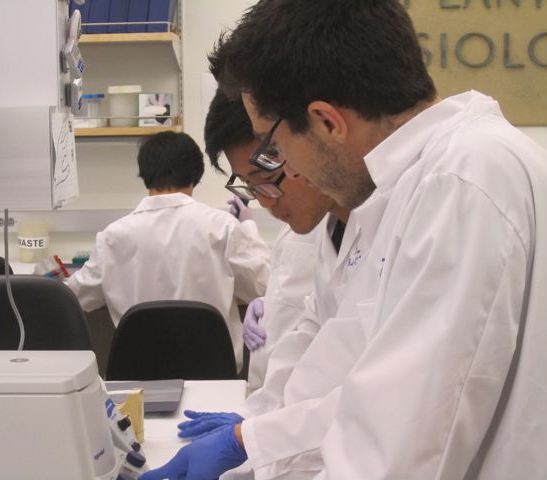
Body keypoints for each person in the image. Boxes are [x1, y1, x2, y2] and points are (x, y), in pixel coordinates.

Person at [140, 1, 547, 479]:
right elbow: (359, 388)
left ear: (328, 122)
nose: (286, 170)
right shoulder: (408, 191)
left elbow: (401, 447)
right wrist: (251, 439)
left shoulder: (461, 181)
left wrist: (256, 443)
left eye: (272, 147)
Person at [67, 131, 271, 372]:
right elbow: (264, 285)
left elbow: (75, 298)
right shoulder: (222, 227)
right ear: (196, 175)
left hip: (138, 378)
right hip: (214, 374)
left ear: (144, 174)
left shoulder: (114, 236)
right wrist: (248, 228)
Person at [204, 90, 349, 396]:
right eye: (250, 186)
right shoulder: (313, 222)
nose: (265, 201)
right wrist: (269, 304)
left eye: (265, 177)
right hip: (277, 403)